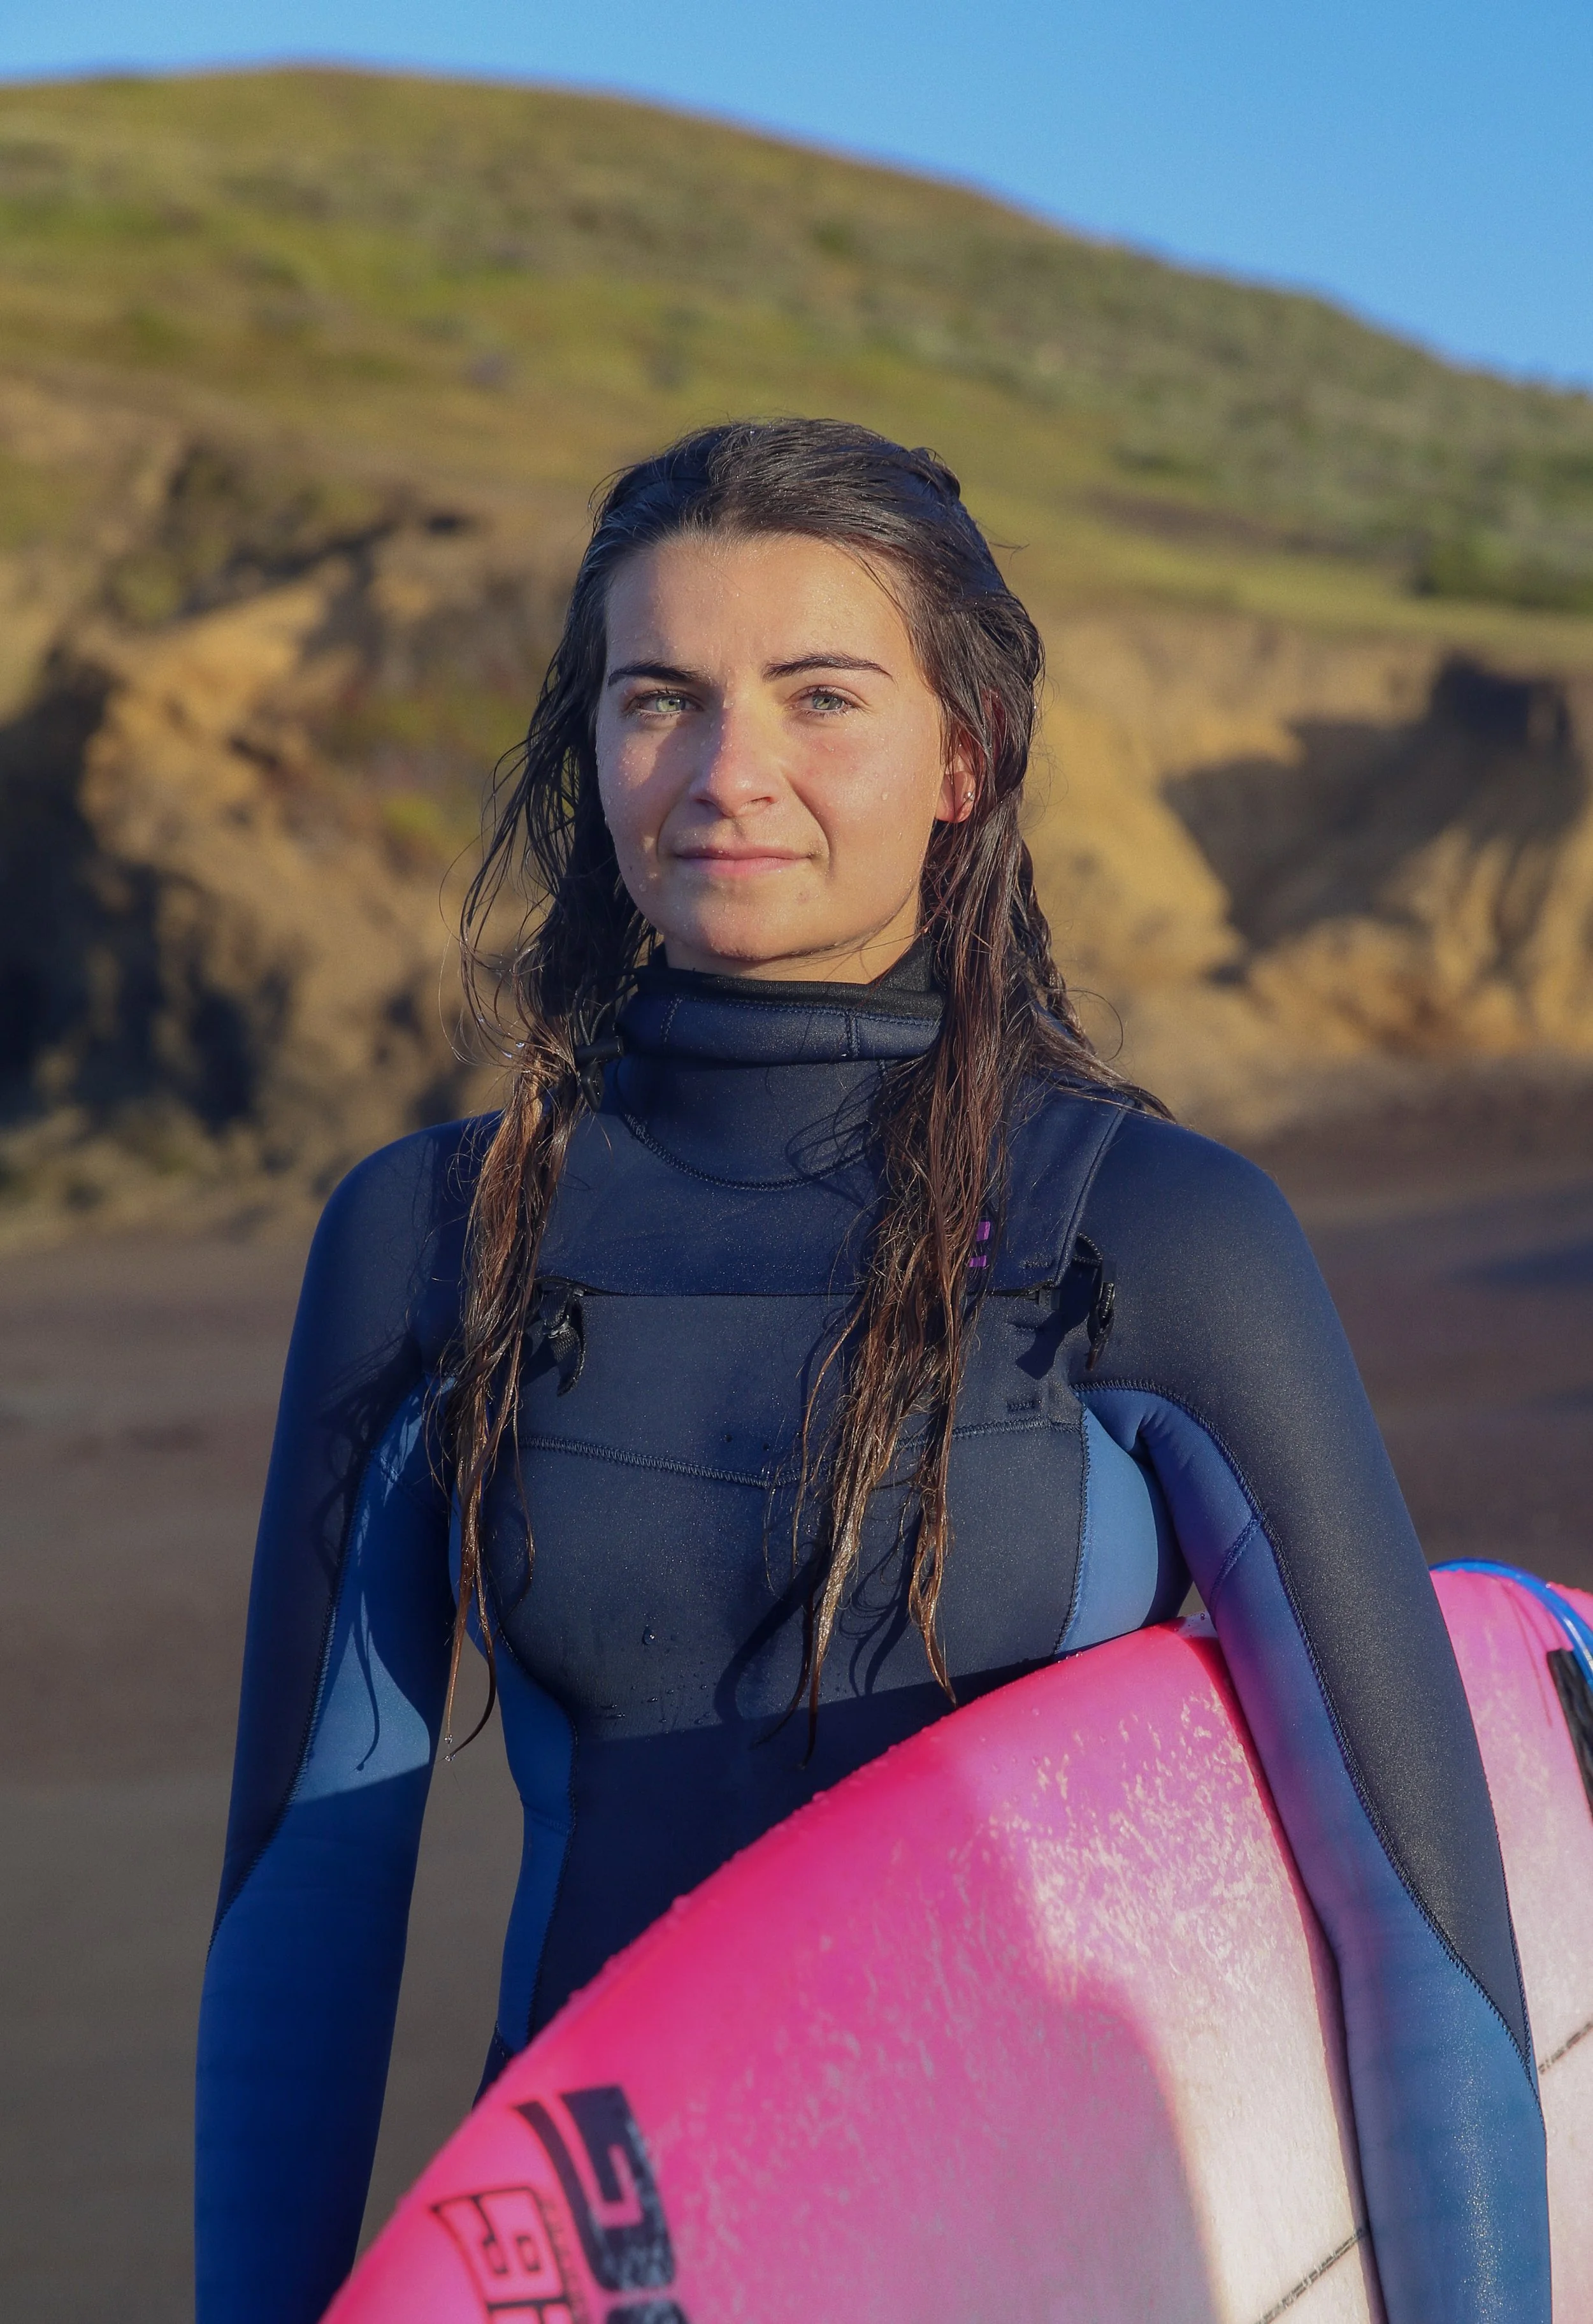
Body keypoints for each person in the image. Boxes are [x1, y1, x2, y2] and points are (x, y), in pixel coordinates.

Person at [196, 420, 1548, 2324]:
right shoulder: (441, 1232)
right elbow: (303, 1915)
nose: (728, 771)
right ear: (593, 750)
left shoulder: (1148, 1226)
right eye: (655, 695)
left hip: (1072, 2265)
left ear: (960, 757)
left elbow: (1416, 1914)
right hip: (634, 2263)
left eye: (819, 695)